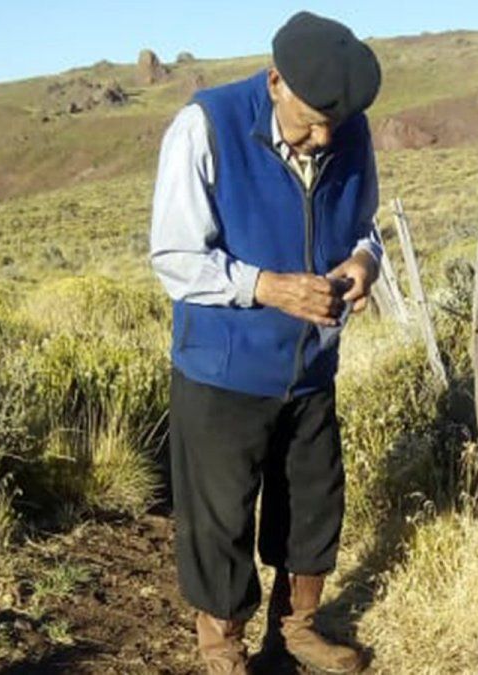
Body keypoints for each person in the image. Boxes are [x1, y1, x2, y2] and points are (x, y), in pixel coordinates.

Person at [148, 10, 382, 675]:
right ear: (275, 79)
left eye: (334, 123)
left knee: (312, 506)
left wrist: (366, 264)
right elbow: (174, 255)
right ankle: (222, 643)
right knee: (219, 519)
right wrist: (266, 287)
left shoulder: (347, 131)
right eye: (310, 120)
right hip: (221, 368)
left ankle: (298, 628)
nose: (324, 136)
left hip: (310, 369)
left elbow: (364, 227)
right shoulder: (207, 126)